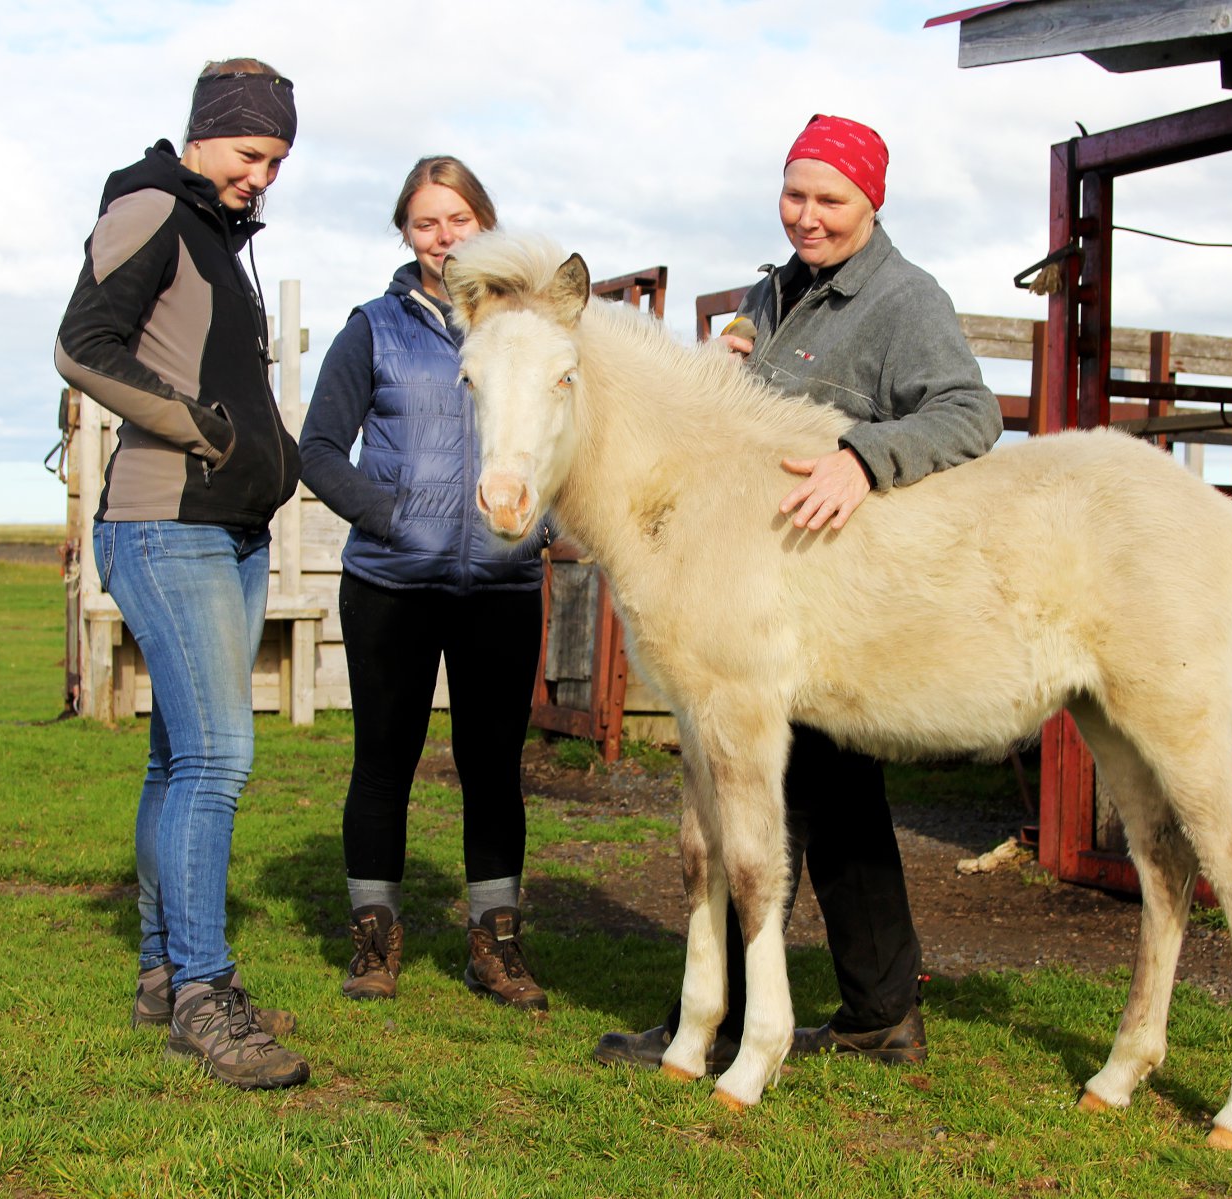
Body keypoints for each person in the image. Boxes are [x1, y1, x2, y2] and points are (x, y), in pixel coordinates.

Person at [595, 113, 1002, 1069]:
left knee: (765, 802)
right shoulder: (776, 290)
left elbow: (970, 412)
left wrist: (865, 456)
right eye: (794, 194)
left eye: (830, 199)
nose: (807, 216)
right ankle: (877, 1011)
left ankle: (727, 1021)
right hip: (762, 585)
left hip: (838, 588)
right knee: (833, 798)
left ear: (872, 202)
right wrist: (721, 369)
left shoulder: (904, 298)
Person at [55, 58, 308, 1089]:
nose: (262, 176)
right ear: (205, 133)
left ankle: (165, 975)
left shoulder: (215, 232)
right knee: (217, 759)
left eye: (277, 161)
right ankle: (206, 995)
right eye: (251, 153)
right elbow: (82, 345)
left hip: (227, 528)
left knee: (177, 760)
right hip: (169, 524)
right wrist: (207, 431)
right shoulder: (154, 205)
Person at [298, 156, 549, 1012]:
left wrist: (544, 519)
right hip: (391, 587)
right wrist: (390, 516)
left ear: (487, 223)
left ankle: (496, 947)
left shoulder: (532, 331)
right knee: (383, 763)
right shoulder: (372, 330)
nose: (444, 237)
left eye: (459, 219)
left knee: (494, 768)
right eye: (425, 222)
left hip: (502, 585)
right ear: (406, 233)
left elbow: (571, 430)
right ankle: (374, 943)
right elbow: (319, 449)